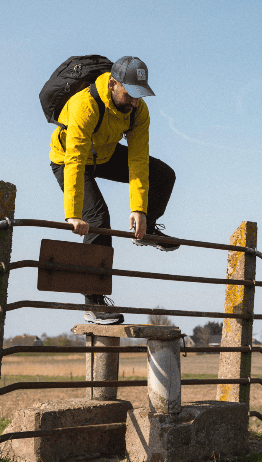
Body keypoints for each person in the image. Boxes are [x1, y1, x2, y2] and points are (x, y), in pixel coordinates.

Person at [49, 56, 178, 324]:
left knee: (163, 175)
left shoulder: (138, 111)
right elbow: (74, 159)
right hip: (69, 161)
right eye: (130, 94)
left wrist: (139, 210)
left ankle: (146, 230)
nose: (135, 101)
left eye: (140, 95)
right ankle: (93, 303)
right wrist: (73, 213)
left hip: (104, 155)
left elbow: (138, 159)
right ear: (112, 84)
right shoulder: (84, 105)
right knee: (97, 218)